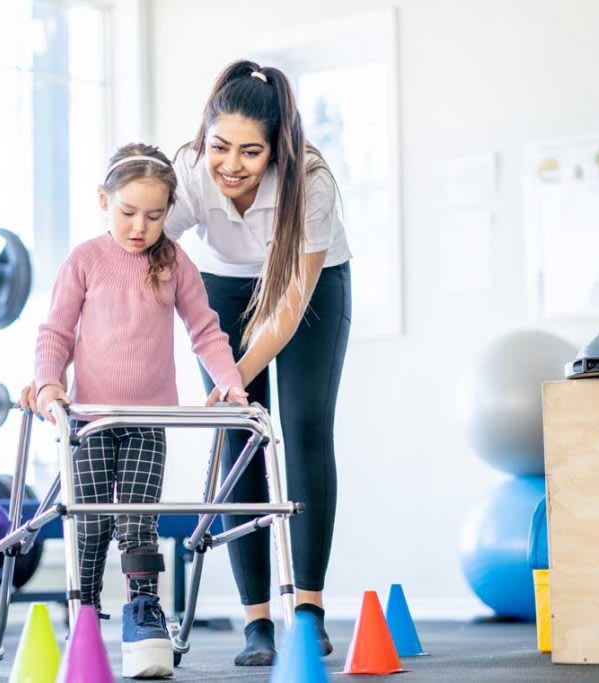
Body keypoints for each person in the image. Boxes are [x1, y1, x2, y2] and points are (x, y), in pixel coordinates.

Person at [24, 142, 247, 679]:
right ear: (104, 201)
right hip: (89, 422)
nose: (139, 227)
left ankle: (144, 611)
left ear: (170, 211)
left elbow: (205, 332)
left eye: (154, 215)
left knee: (137, 520)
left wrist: (231, 384)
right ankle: (83, 611)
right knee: (90, 521)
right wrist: (48, 384)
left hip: (146, 419)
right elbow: (55, 331)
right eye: (127, 213)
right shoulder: (85, 260)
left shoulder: (174, 262)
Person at [165, 59, 352, 666]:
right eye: (221, 146)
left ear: (276, 151)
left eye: (251, 152)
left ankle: (308, 609)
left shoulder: (311, 181)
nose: (231, 165)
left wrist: (234, 376)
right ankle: (256, 624)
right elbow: (137, 257)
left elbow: (289, 308)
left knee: (300, 427)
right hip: (224, 284)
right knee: (238, 433)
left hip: (308, 289)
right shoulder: (190, 171)